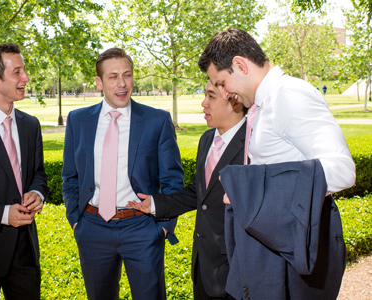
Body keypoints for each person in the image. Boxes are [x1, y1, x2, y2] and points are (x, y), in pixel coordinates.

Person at [198, 28, 356, 300]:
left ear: (240, 65)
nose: (225, 93)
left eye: (222, 82)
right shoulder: (262, 105)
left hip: (295, 249)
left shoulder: (289, 96)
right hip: (272, 247)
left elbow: (342, 170)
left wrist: (251, 189)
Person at [61, 47, 184, 300]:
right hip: (93, 227)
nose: (122, 84)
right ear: (99, 82)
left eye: (127, 75)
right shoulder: (78, 120)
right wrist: (76, 220)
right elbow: (70, 176)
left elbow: (173, 179)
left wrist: (162, 227)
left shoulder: (157, 120)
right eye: (113, 76)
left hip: (141, 228)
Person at [127, 79, 245, 300]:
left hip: (239, 270)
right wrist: (155, 204)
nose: (203, 103)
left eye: (211, 96)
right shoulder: (207, 138)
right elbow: (200, 193)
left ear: (235, 102)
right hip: (204, 267)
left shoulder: (256, 142)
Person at [0, 43, 48, 300]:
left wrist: (38, 192)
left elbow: (38, 172)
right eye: (17, 72)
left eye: (24, 70)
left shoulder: (30, 125)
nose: (25, 78)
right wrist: (3, 214)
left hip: (26, 250)